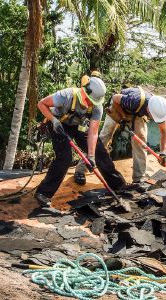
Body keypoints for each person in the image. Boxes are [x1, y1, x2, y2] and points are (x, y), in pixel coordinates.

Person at [33, 73, 127, 206]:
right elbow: (41, 103)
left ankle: (118, 185)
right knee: (64, 158)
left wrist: (91, 156)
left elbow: (93, 132)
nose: (91, 104)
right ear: (84, 91)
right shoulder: (65, 96)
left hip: (77, 125)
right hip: (58, 124)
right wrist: (53, 120)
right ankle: (43, 193)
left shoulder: (97, 106)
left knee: (100, 151)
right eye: (90, 100)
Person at [74, 86, 166, 187]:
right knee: (103, 139)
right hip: (117, 107)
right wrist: (122, 117)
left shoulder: (159, 109)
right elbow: (115, 98)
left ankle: (139, 178)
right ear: (148, 110)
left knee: (141, 142)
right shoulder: (133, 100)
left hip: (136, 114)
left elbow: (164, 132)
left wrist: (163, 152)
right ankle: (80, 170)